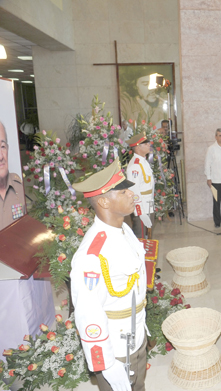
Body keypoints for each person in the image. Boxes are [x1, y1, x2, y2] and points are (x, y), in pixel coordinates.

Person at [70, 161, 150, 391]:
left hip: (135, 335)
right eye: (123, 191)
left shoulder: (123, 229)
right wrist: (104, 363)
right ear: (104, 201)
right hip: (116, 347)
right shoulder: (92, 255)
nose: (132, 194)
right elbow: (88, 313)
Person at [119, 66, 167, 131]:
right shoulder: (124, 102)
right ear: (135, 85)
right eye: (146, 84)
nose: (152, 89)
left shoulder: (164, 102)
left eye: (154, 84)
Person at [126, 133, 154, 239]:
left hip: (148, 203)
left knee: (148, 237)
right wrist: (140, 212)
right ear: (138, 147)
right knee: (140, 237)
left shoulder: (143, 161)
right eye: (146, 143)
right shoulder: (135, 166)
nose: (149, 145)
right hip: (141, 206)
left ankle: (147, 255)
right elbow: (133, 190)